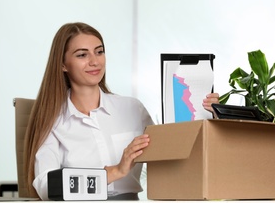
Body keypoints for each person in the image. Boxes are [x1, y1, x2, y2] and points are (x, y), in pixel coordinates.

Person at [23, 22, 219, 200]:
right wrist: (114, 171)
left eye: (99, 52)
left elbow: (175, 154)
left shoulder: (132, 108)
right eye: (82, 55)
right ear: (62, 64)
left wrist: (210, 116)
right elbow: (45, 185)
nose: (95, 61)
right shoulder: (53, 120)